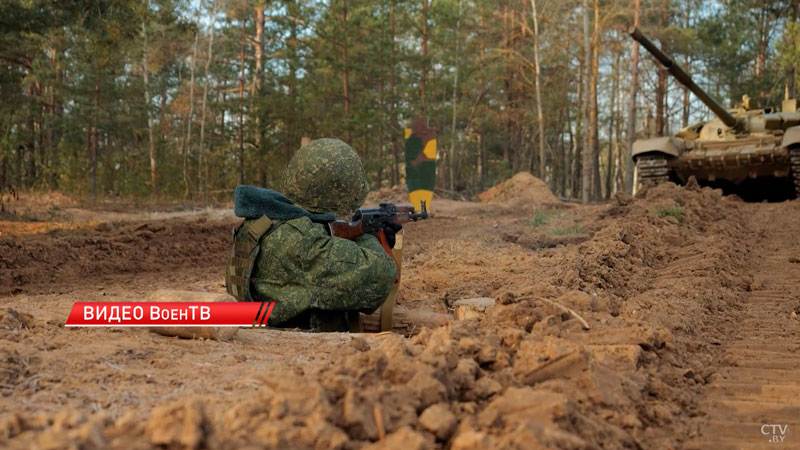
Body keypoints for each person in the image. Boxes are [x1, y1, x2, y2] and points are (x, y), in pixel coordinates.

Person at [225, 138, 398, 332]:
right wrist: (367, 235)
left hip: (256, 327)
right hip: (293, 350)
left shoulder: (260, 222)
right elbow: (382, 275)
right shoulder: (306, 242)